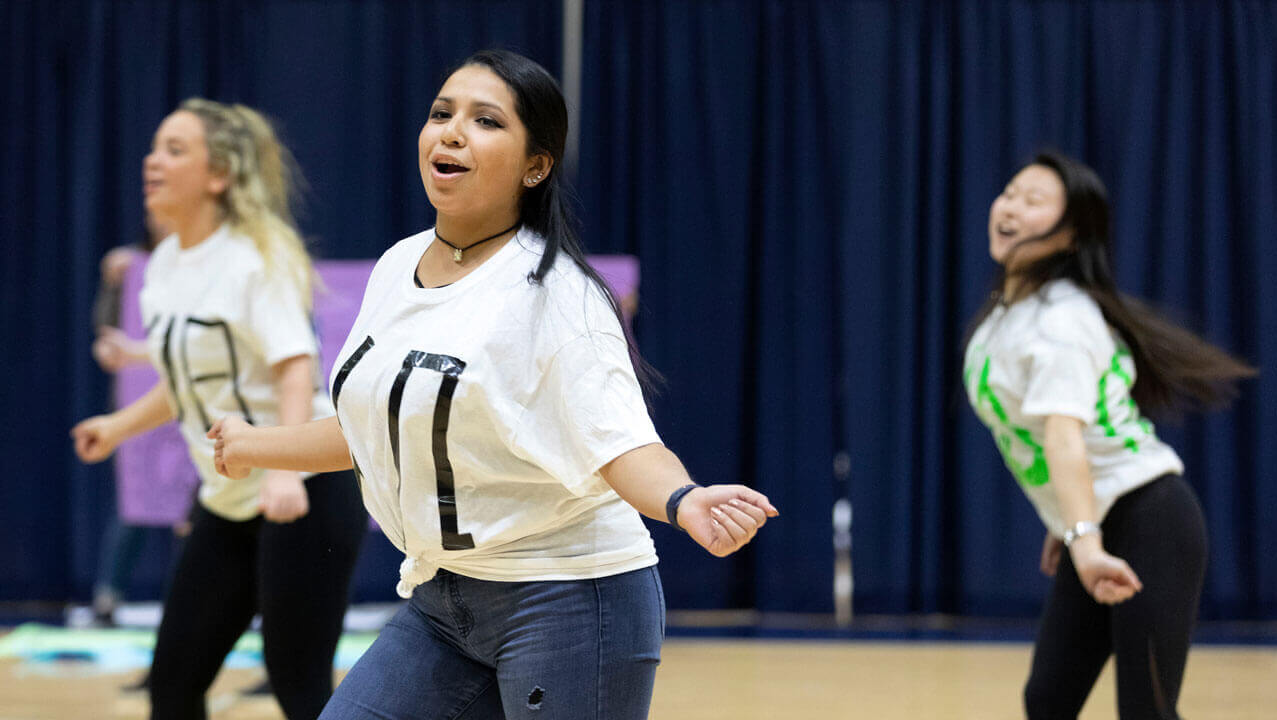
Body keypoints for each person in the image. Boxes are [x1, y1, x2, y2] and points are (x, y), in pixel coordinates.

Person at [208, 50, 778, 720]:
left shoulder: (556, 294)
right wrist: (257, 445)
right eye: (441, 114)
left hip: (569, 600)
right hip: (441, 600)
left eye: (485, 121)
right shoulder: (397, 266)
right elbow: (381, 428)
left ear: (536, 166)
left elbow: (618, 441)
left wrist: (684, 500)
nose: (451, 131)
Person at [71, 98, 367, 720]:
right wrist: (118, 427)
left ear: (218, 175)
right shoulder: (165, 267)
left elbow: (295, 368)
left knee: (300, 684)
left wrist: (285, 473)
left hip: (303, 492)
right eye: (155, 147)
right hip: (227, 499)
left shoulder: (256, 256)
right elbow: (185, 382)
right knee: (174, 684)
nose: (153, 161)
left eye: (175, 149)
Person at [963, 151, 1255, 719]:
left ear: (1071, 234)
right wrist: (1071, 517)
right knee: (1047, 700)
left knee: (1146, 710)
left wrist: (1084, 534)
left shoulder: (1062, 323)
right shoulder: (1009, 311)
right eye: (1011, 191)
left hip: (1152, 520)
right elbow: (1054, 441)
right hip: (1098, 520)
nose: (1011, 206)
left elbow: (1064, 439)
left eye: (1034, 200)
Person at [88, 214, 200, 631]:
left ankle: (187, 600)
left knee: (193, 506)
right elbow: (108, 333)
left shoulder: (217, 267)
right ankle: (107, 596)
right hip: (145, 393)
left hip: (196, 395)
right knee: (136, 499)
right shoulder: (131, 268)